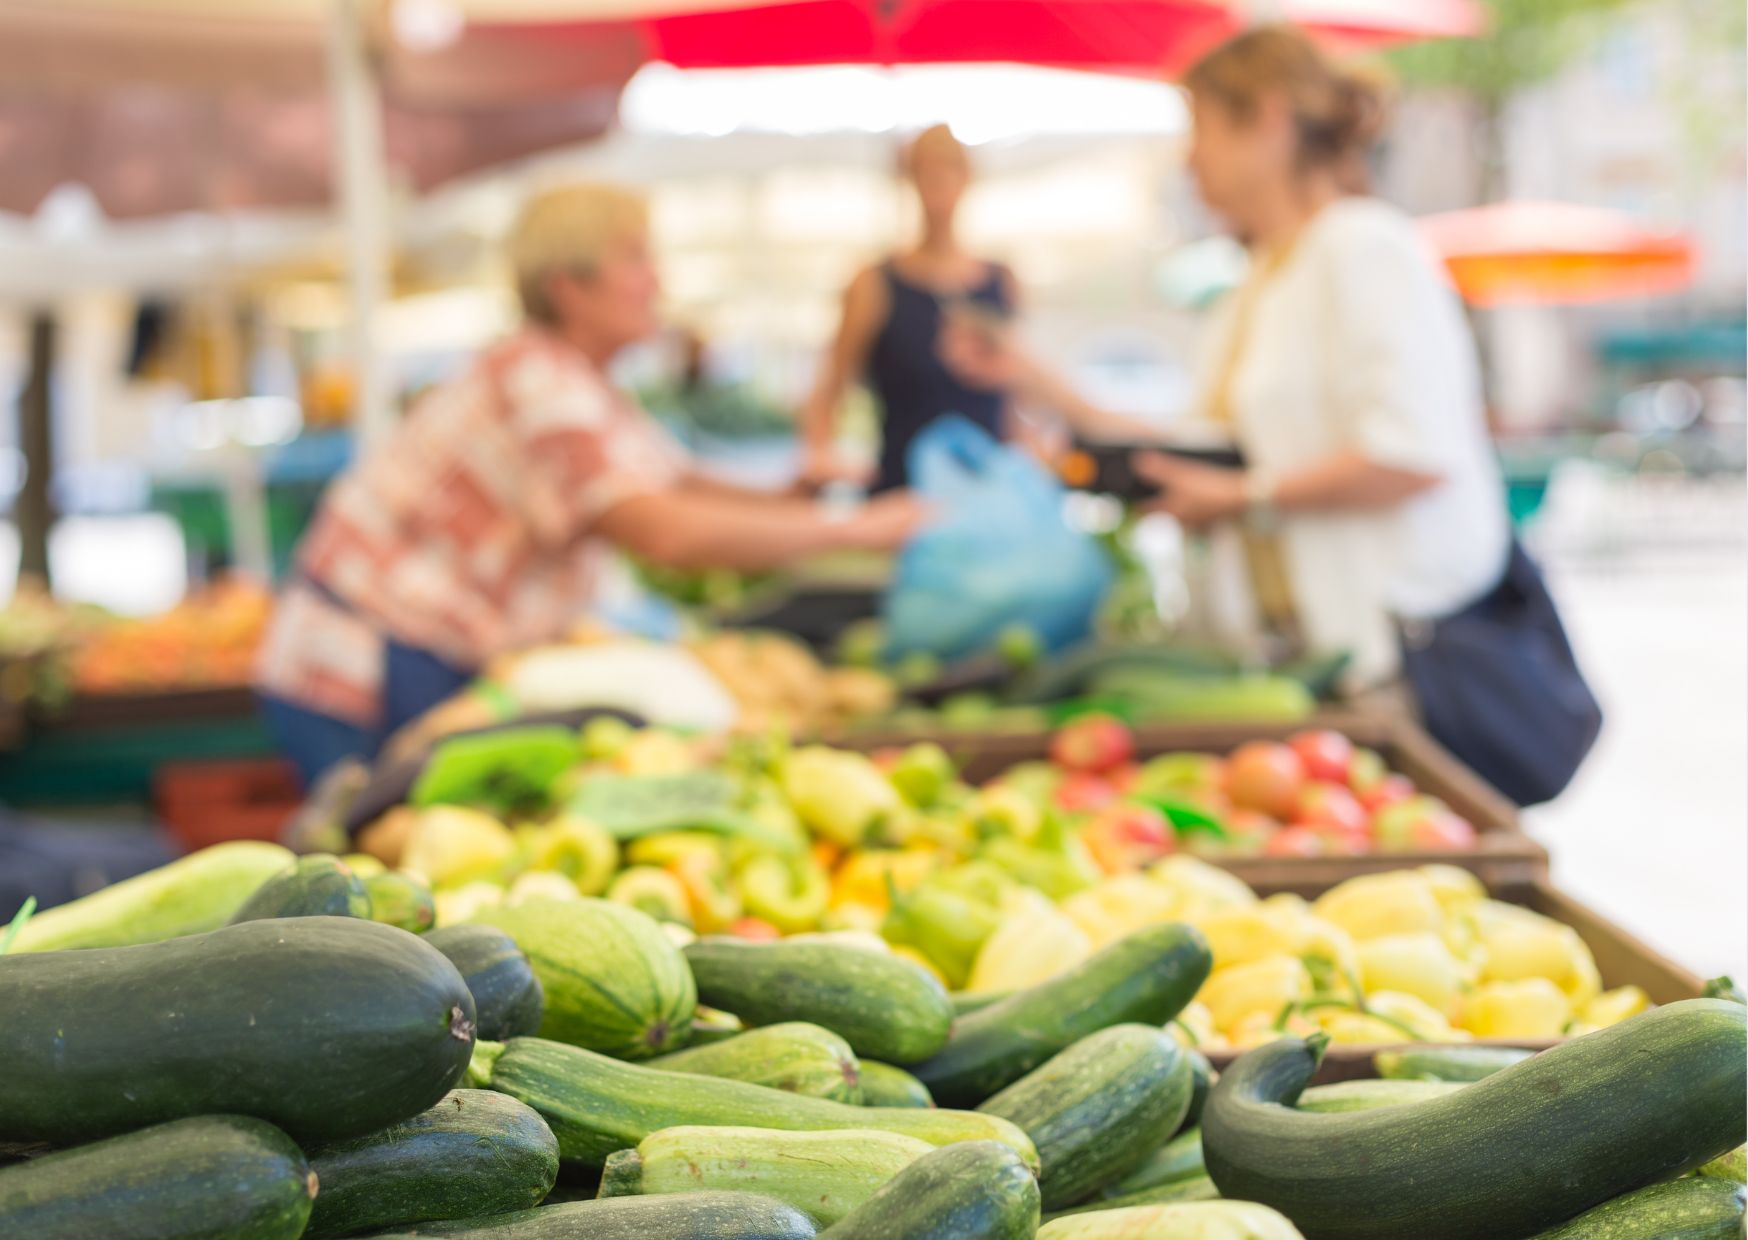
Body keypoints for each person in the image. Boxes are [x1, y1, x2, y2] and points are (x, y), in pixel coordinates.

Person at [257, 183, 926, 785]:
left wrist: (792, 493)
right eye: (633, 259)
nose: (655, 279)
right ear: (568, 287)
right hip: (364, 664)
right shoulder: (539, 381)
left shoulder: (583, 384)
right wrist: (854, 530)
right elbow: (663, 531)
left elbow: (675, 481)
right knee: (379, 854)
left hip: (425, 653)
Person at [947, 26, 1510, 693]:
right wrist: (1031, 377)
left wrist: (1244, 496)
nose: (1190, 157)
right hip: (1297, 669)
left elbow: (1411, 452)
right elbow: (1207, 448)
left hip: (1393, 667)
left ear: (1268, 118)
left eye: (1202, 127)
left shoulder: (1364, 246)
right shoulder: (1261, 279)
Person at [798, 125, 1022, 492]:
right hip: (902, 493)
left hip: (986, 491)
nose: (939, 183)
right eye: (927, 170)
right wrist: (819, 455)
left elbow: (1012, 399)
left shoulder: (1001, 280)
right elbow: (830, 387)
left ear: (967, 177)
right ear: (910, 178)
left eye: (949, 168)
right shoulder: (874, 283)